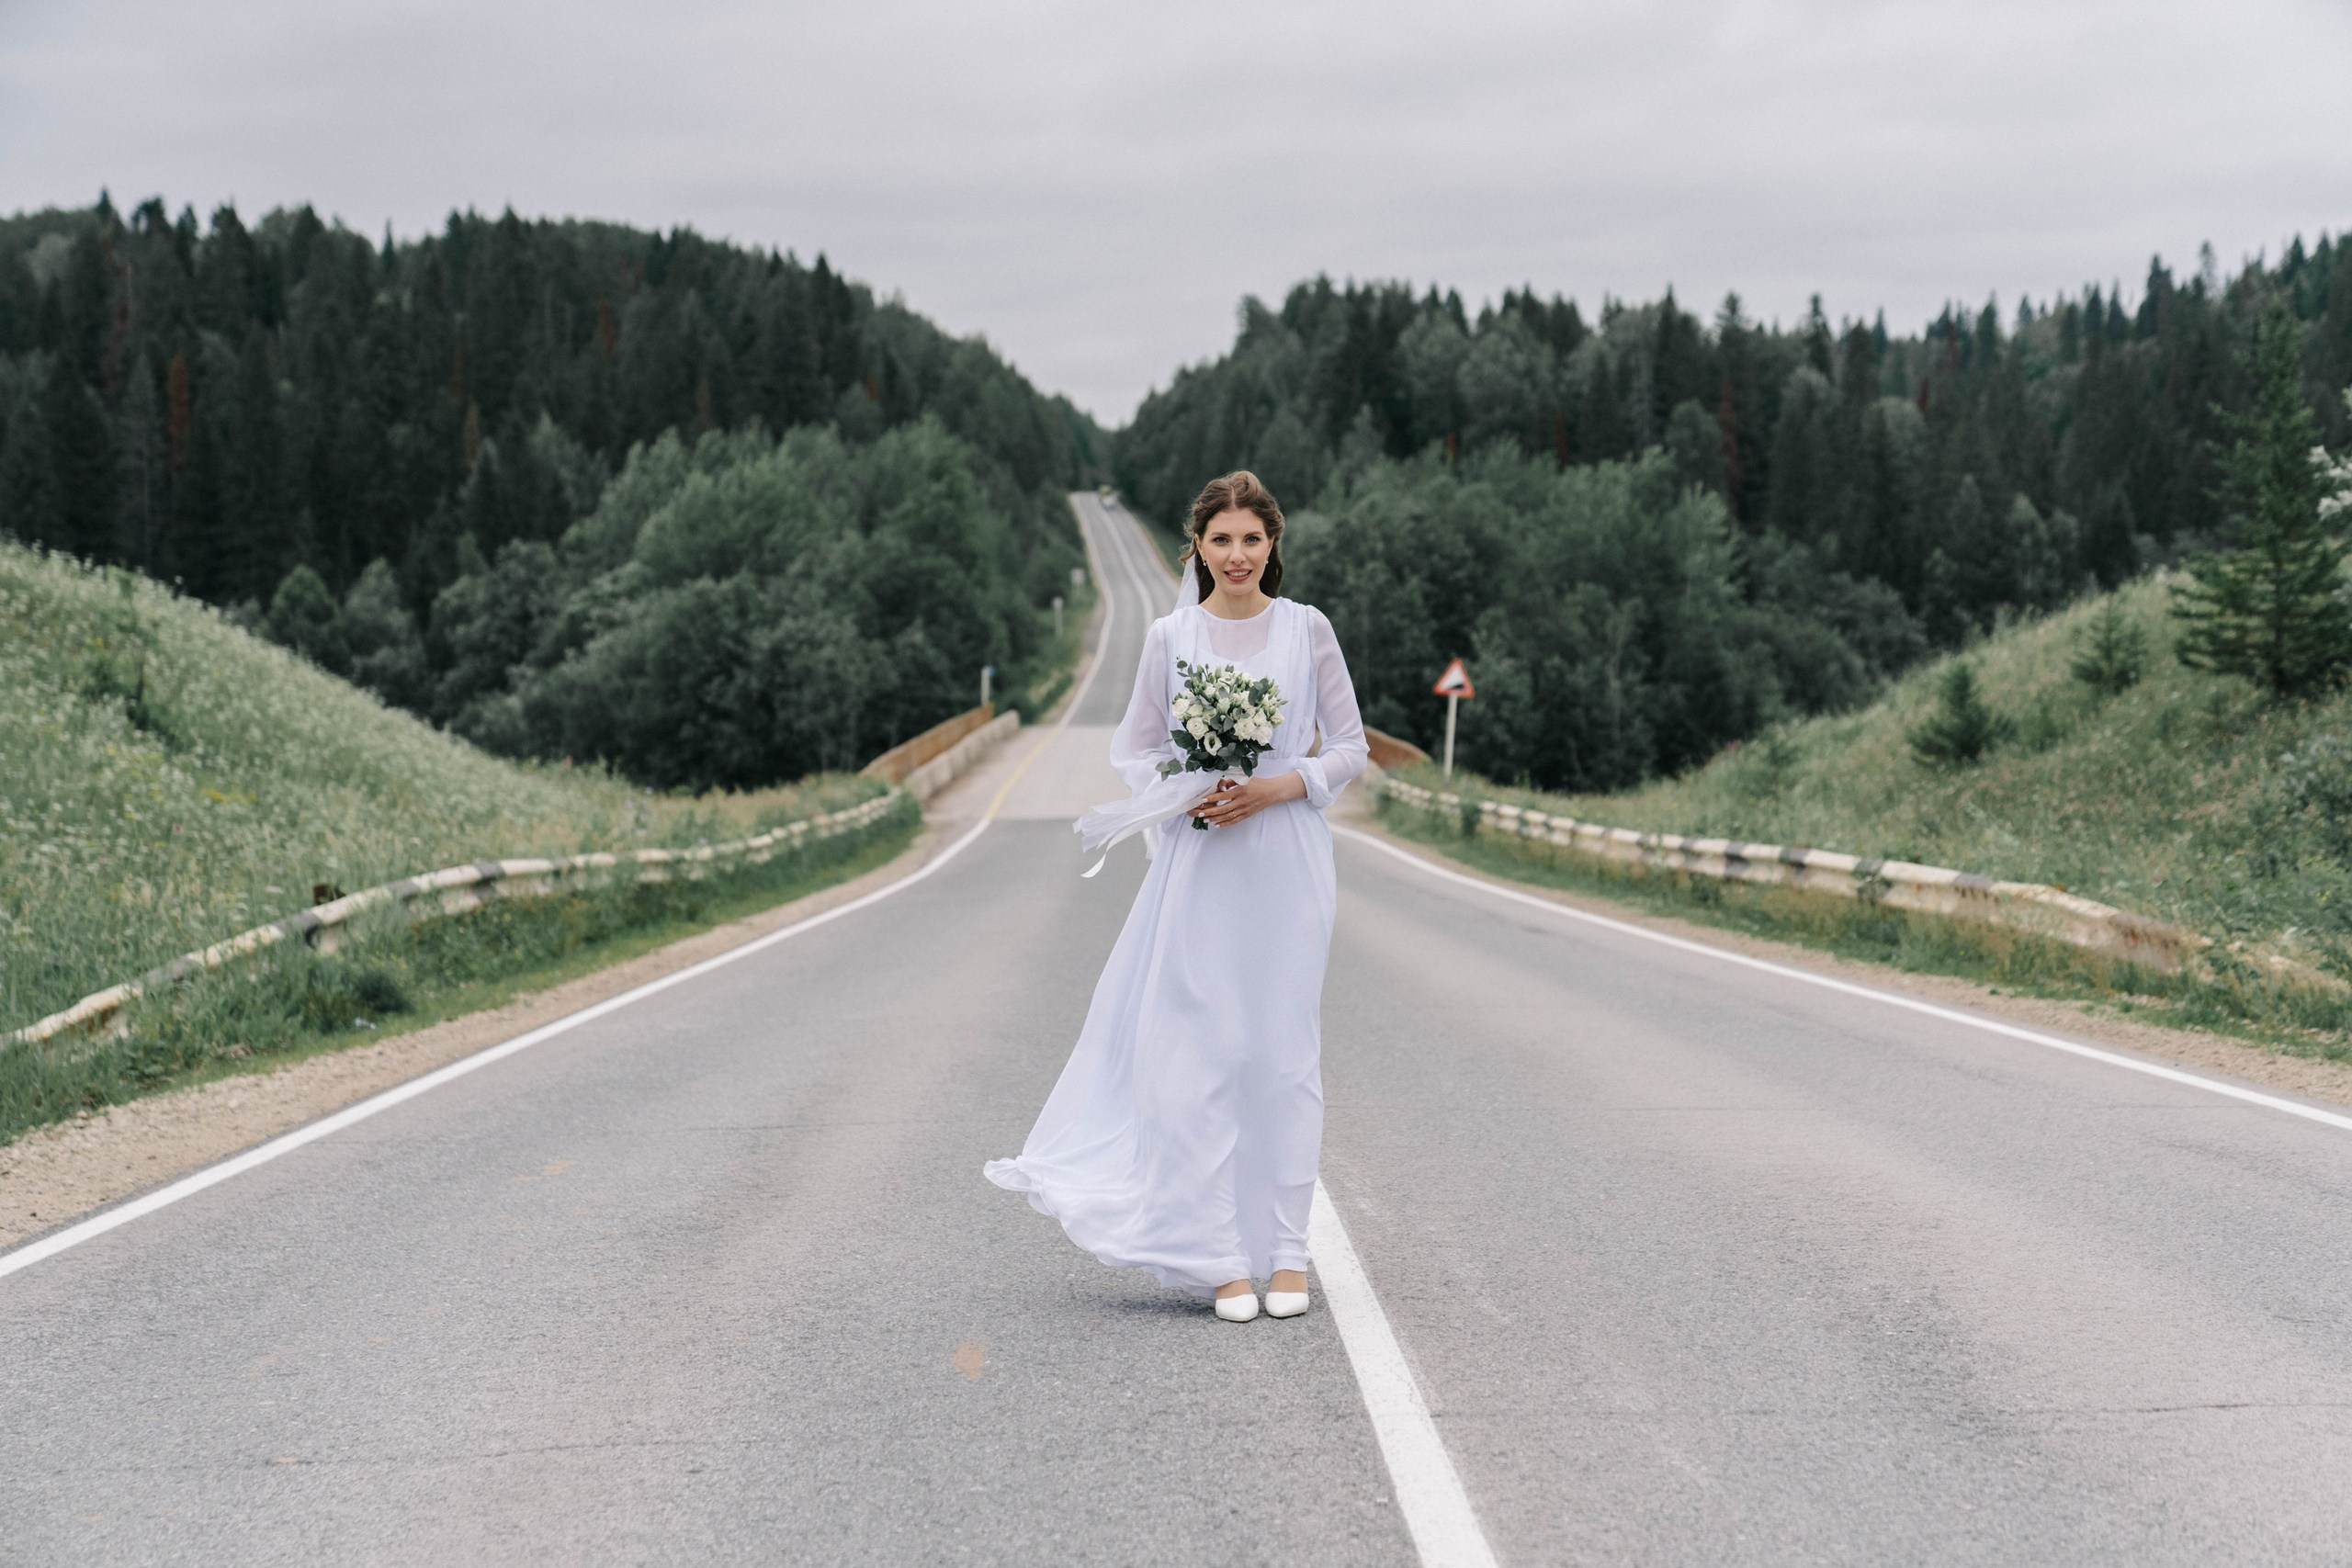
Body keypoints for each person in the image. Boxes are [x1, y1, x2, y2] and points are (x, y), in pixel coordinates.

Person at [984, 471, 1370, 1323]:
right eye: (1221, 539)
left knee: (1284, 1057)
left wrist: (1278, 787)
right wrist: (1187, 791)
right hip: (1202, 863)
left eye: (1252, 538)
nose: (1237, 555)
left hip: (1288, 858)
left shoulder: (1307, 629)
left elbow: (1350, 744)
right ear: (1196, 545)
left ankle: (1288, 1253)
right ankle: (1218, 1256)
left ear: (1273, 544)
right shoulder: (1171, 636)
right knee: (1202, 1059)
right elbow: (1135, 750)